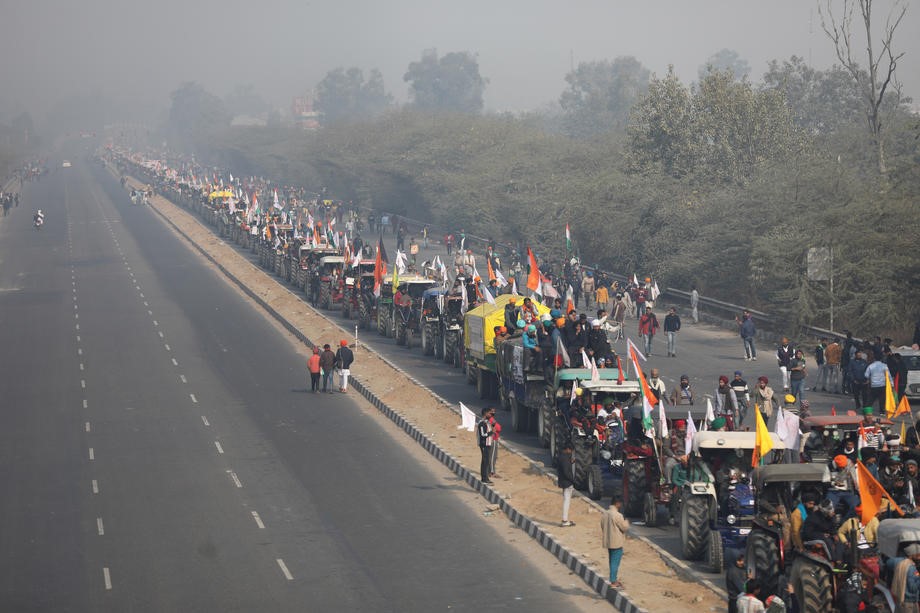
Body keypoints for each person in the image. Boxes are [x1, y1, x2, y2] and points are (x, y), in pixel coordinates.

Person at [601, 494, 629, 590]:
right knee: (615, 562)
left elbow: (602, 526)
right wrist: (627, 522)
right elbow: (624, 527)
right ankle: (613, 581)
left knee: (611, 560)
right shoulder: (617, 515)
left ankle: (614, 579)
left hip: (608, 541)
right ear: (617, 503)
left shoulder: (605, 513)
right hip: (616, 542)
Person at [558, 443, 576, 527]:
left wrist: (571, 462)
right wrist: (573, 480)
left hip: (564, 482)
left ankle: (565, 520)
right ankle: (564, 520)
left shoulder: (562, 456)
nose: (571, 452)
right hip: (567, 482)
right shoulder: (564, 458)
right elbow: (566, 472)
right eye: (571, 450)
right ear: (568, 449)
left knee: (566, 500)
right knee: (567, 501)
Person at [477, 408, 494, 485]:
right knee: (485, 461)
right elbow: (483, 434)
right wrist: (491, 432)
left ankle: (486, 478)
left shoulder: (487, 422)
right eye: (490, 413)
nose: (491, 415)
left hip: (488, 444)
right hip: (484, 444)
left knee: (487, 461)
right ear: (485, 413)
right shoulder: (482, 423)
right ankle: (484, 478)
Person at [487, 407, 502, 479]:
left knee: (490, 456)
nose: (493, 413)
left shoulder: (488, 420)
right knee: (492, 456)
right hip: (493, 440)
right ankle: (492, 472)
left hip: (490, 440)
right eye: (492, 411)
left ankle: (489, 471)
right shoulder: (491, 420)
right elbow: (498, 428)